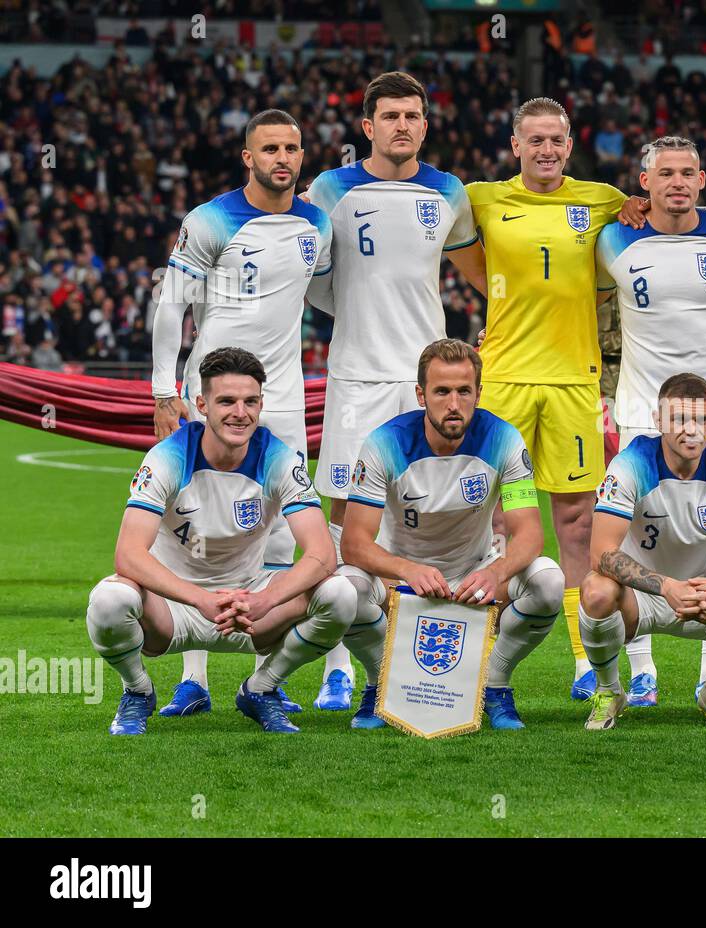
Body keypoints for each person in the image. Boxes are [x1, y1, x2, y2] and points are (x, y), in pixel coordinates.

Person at [466, 97, 706, 700]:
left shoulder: (601, 203)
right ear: (515, 144)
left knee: (579, 523)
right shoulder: (480, 198)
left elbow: (679, 206)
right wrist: (502, 307)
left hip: (575, 380)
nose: (546, 149)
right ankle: (476, 663)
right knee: (486, 521)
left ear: (570, 145)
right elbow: (470, 263)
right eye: (535, 139)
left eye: (557, 139)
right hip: (503, 378)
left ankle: (584, 661)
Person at [303, 71, 486, 712]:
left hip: (428, 381)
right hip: (356, 375)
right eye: (390, 116)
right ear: (367, 126)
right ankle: (336, 669)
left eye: (412, 116)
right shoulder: (330, 188)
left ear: (425, 126)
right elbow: (305, 270)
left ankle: (423, 665)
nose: (402, 126)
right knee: (337, 519)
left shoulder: (449, 192)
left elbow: (481, 272)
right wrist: (346, 305)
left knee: (420, 518)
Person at [86, 348, 384, 735]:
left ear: (262, 404)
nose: (239, 413)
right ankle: (137, 692)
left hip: (250, 606)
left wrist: (263, 600)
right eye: (226, 401)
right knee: (109, 600)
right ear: (201, 404)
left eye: (250, 401)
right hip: (173, 607)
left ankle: (261, 688)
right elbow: (128, 555)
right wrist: (199, 599)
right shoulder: (167, 457)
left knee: (341, 594)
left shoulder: (279, 458)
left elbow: (322, 555)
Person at [149, 109, 332, 717]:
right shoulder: (209, 219)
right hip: (214, 396)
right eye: (270, 148)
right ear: (247, 157)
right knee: (198, 530)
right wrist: (162, 390)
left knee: (281, 533)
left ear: (302, 156)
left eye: (292, 148)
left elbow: (329, 292)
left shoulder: (316, 224)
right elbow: (170, 305)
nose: (283, 157)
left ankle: (263, 683)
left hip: (281, 401)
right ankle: (192, 680)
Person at [593, 135, 706, 706]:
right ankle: (641, 672)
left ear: (703, 180)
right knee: (635, 533)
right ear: (645, 183)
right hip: (640, 409)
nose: (677, 183)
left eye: (688, 172)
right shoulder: (615, 237)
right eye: (665, 174)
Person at [339, 339, 564, 729]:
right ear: (421, 394)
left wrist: (496, 573)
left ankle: (494, 685)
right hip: (399, 580)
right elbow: (354, 542)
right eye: (442, 391)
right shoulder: (384, 442)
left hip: (474, 575)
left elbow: (529, 533)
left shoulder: (504, 439)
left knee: (548, 581)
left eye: (464, 391)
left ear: (479, 392)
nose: (454, 403)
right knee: (343, 590)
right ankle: (380, 685)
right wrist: (406, 571)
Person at [578, 374, 706, 730]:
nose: (692, 431)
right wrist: (668, 586)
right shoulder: (631, 464)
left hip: (704, 595)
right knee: (596, 590)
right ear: (659, 421)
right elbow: (601, 554)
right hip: (641, 596)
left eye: (702, 420)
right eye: (679, 420)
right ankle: (609, 691)